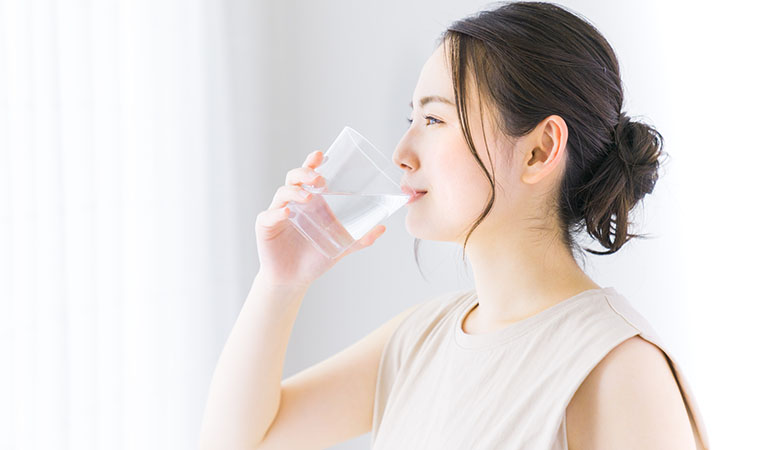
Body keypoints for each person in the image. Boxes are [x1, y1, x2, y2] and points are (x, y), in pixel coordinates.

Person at [199, 2, 710, 449]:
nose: (401, 154)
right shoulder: (420, 338)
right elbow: (242, 442)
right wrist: (281, 283)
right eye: (411, 120)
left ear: (539, 150)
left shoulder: (617, 369)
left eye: (435, 120)